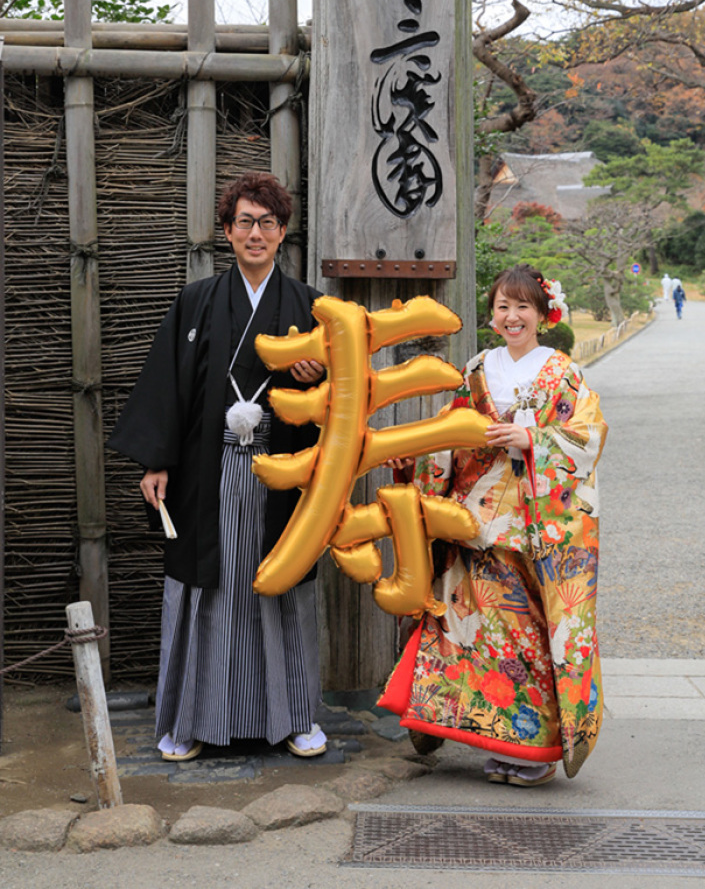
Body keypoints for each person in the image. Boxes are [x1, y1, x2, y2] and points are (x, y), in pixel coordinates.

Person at [108, 172, 327, 762]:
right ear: (227, 232)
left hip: (282, 470)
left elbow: (342, 393)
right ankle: (193, 719)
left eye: (268, 223)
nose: (256, 234)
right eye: (244, 222)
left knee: (280, 581)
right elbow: (168, 389)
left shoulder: (310, 307)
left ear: (283, 233)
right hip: (209, 471)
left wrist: (318, 376)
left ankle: (295, 717)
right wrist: (157, 460)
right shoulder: (197, 300)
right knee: (210, 588)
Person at [380, 265, 607, 785]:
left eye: (523, 307)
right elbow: (448, 431)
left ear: (543, 314)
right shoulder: (479, 368)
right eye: (503, 306)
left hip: (530, 525)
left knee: (524, 636)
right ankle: (489, 734)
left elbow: (588, 436)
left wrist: (531, 441)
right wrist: (414, 461)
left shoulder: (563, 373)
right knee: (472, 633)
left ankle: (533, 749)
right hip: (471, 521)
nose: (512, 316)